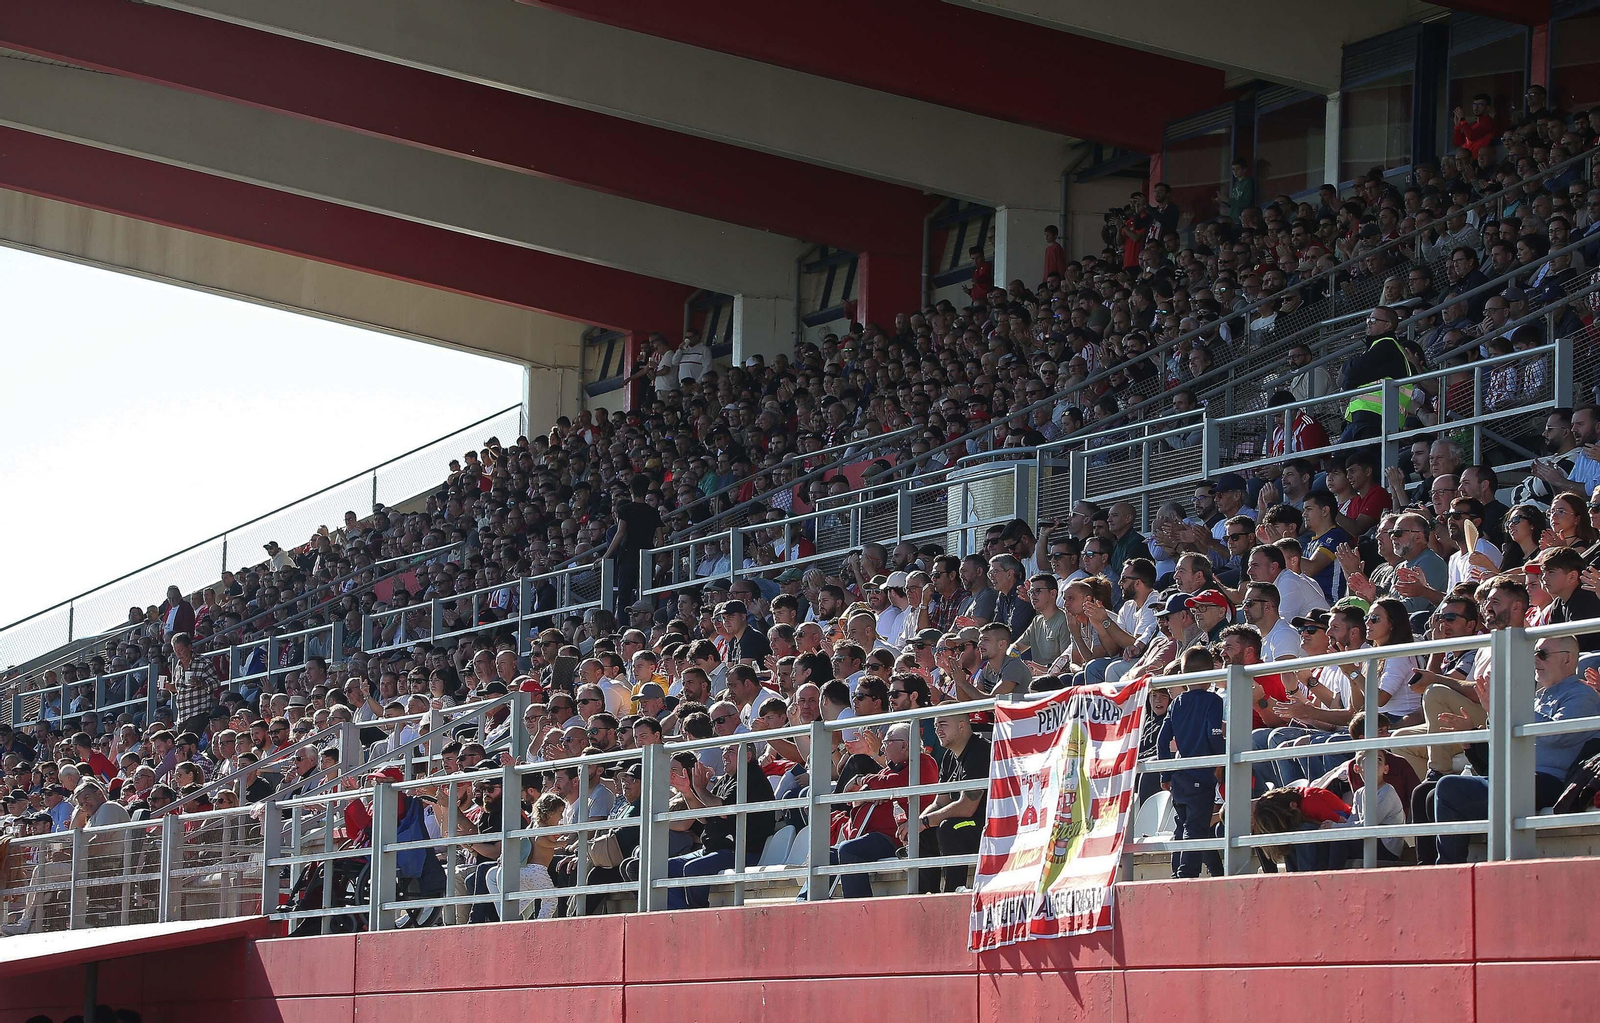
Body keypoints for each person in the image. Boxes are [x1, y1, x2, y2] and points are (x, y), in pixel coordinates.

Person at [1434, 636, 1600, 863]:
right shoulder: (1536, 698)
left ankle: (1448, 874)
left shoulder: (1583, 695)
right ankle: (1434, 870)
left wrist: (1511, 707)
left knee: (1449, 787)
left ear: (1567, 659)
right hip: (1520, 778)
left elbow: (1557, 735)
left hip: (1548, 781)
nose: (1535, 660)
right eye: (1534, 654)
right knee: (1427, 793)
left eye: (1542, 654)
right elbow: (1505, 745)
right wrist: (1487, 721)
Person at [665, 741, 775, 909]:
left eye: (730, 751)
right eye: (723, 751)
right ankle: (682, 913)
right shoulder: (726, 780)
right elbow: (704, 817)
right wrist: (687, 791)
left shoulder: (751, 778)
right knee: (661, 869)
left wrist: (700, 789)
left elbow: (724, 810)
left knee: (693, 869)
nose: (724, 755)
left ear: (748, 756)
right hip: (714, 849)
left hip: (742, 852)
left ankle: (695, 916)